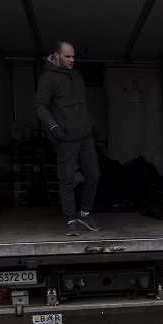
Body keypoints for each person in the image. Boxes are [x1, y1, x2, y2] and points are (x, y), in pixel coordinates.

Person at [34, 41, 101, 236]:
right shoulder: (47, 78)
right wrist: (53, 126)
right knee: (67, 180)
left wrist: (91, 123)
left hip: (85, 136)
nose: (72, 60)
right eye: (67, 56)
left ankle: (85, 213)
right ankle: (70, 219)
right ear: (56, 56)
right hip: (66, 139)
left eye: (73, 56)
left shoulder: (77, 75)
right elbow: (40, 106)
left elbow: (80, 105)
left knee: (94, 175)